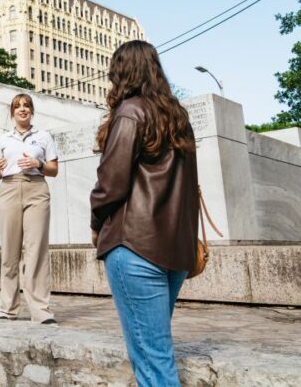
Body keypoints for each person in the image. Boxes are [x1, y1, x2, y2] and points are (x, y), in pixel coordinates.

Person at [90, 40, 199, 387]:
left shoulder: (130, 111)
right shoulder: (178, 117)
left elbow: (110, 183)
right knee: (152, 352)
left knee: (153, 362)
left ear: (123, 71)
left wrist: (96, 224)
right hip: (175, 252)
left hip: (135, 245)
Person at [0, 93, 59, 324]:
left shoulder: (44, 137)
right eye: (18, 106)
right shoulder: (3, 139)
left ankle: (40, 310)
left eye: (27, 106)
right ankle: (7, 308)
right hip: (8, 188)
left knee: (36, 250)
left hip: (36, 189)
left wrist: (38, 164)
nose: (22, 109)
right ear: (12, 112)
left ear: (32, 111)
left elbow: (53, 169)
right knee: (9, 251)